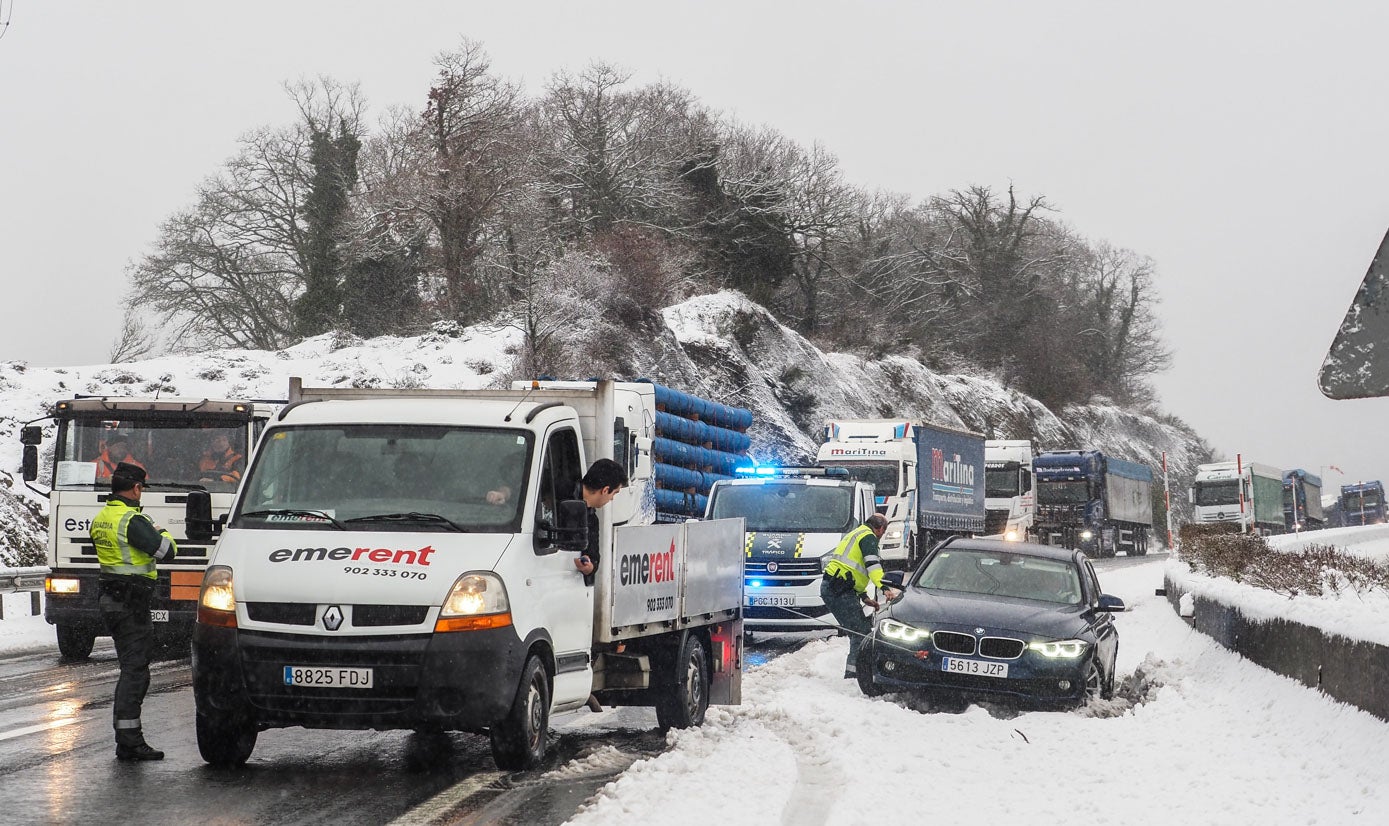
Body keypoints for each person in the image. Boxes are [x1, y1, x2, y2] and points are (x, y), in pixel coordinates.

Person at [89, 462, 178, 761]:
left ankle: (127, 739)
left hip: (111, 600)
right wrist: (161, 531)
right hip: (131, 604)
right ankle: (129, 741)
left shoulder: (103, 517)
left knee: (132, 669)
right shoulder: (132, 520)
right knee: (135, 672)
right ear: (137, 488)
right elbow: (167, 552)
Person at [820, 514, 900, 679]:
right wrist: (884, 588)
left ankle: (854, 672)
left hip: (838, 587)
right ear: (880, 528)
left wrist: (864, 597)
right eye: (883, 533)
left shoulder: (857, 533)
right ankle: (853, 676)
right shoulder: (869, 537)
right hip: (838, 590)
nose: (880, 537)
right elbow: (873, 565)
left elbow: (851, 571)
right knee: (860, 633)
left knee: (857, 631)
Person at [572, 458, 628, 583]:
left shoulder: (592, 519)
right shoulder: (558, 494)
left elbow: (594, 558)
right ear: (605, 490)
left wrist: (589, 567)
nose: (612, 499)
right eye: (614, 493)